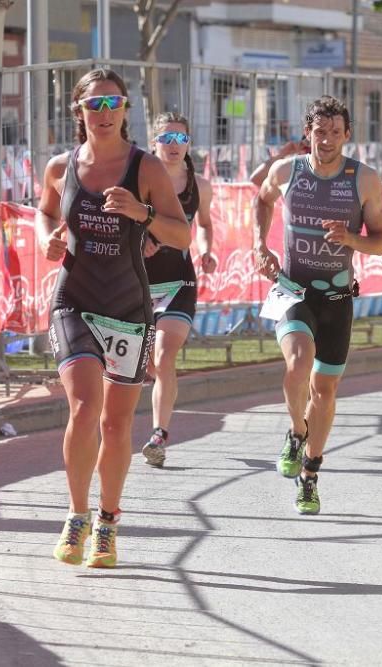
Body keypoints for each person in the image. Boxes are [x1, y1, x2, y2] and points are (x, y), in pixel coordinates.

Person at [37, 68, 190, 568]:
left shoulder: (145, 168)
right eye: (93, 105)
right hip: (74, 298)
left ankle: (107, 521)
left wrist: (141, 213)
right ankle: (76, 515)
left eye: (113, 104)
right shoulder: (61, 167)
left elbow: (182, 236)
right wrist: (48, 238)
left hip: (128, 305)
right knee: (84, 405)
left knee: (117, 422)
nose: (103, 114)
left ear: (126, 110)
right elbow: (43, 212)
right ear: (78, 111)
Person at [254, 95, 382, 514]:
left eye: (334, 133)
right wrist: (261, 244)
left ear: (347, 135)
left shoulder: (364, 179)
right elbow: (262, 199)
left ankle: (310, 472)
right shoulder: (286, 171)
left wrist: (351, 239)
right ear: (307, 133)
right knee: (297, 364)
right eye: (319, 132)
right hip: (294, 289)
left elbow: (381, 240)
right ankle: (296, 432)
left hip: (338, 297)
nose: (326, 140)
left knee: (324, 391)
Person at [138, 112, 216, 467]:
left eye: (180, 139)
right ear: (154, 143)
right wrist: (140, 241)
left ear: (189, 144)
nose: (173, 146)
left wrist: (207, 250)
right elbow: (121, 222)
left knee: (165, 354)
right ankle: (156, 383)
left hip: (179, 280)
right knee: (149, 363)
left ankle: (159, 435)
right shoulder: (139, 180)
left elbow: (205, 224)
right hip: (139, 280)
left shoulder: (200, 184)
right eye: (166, 139)